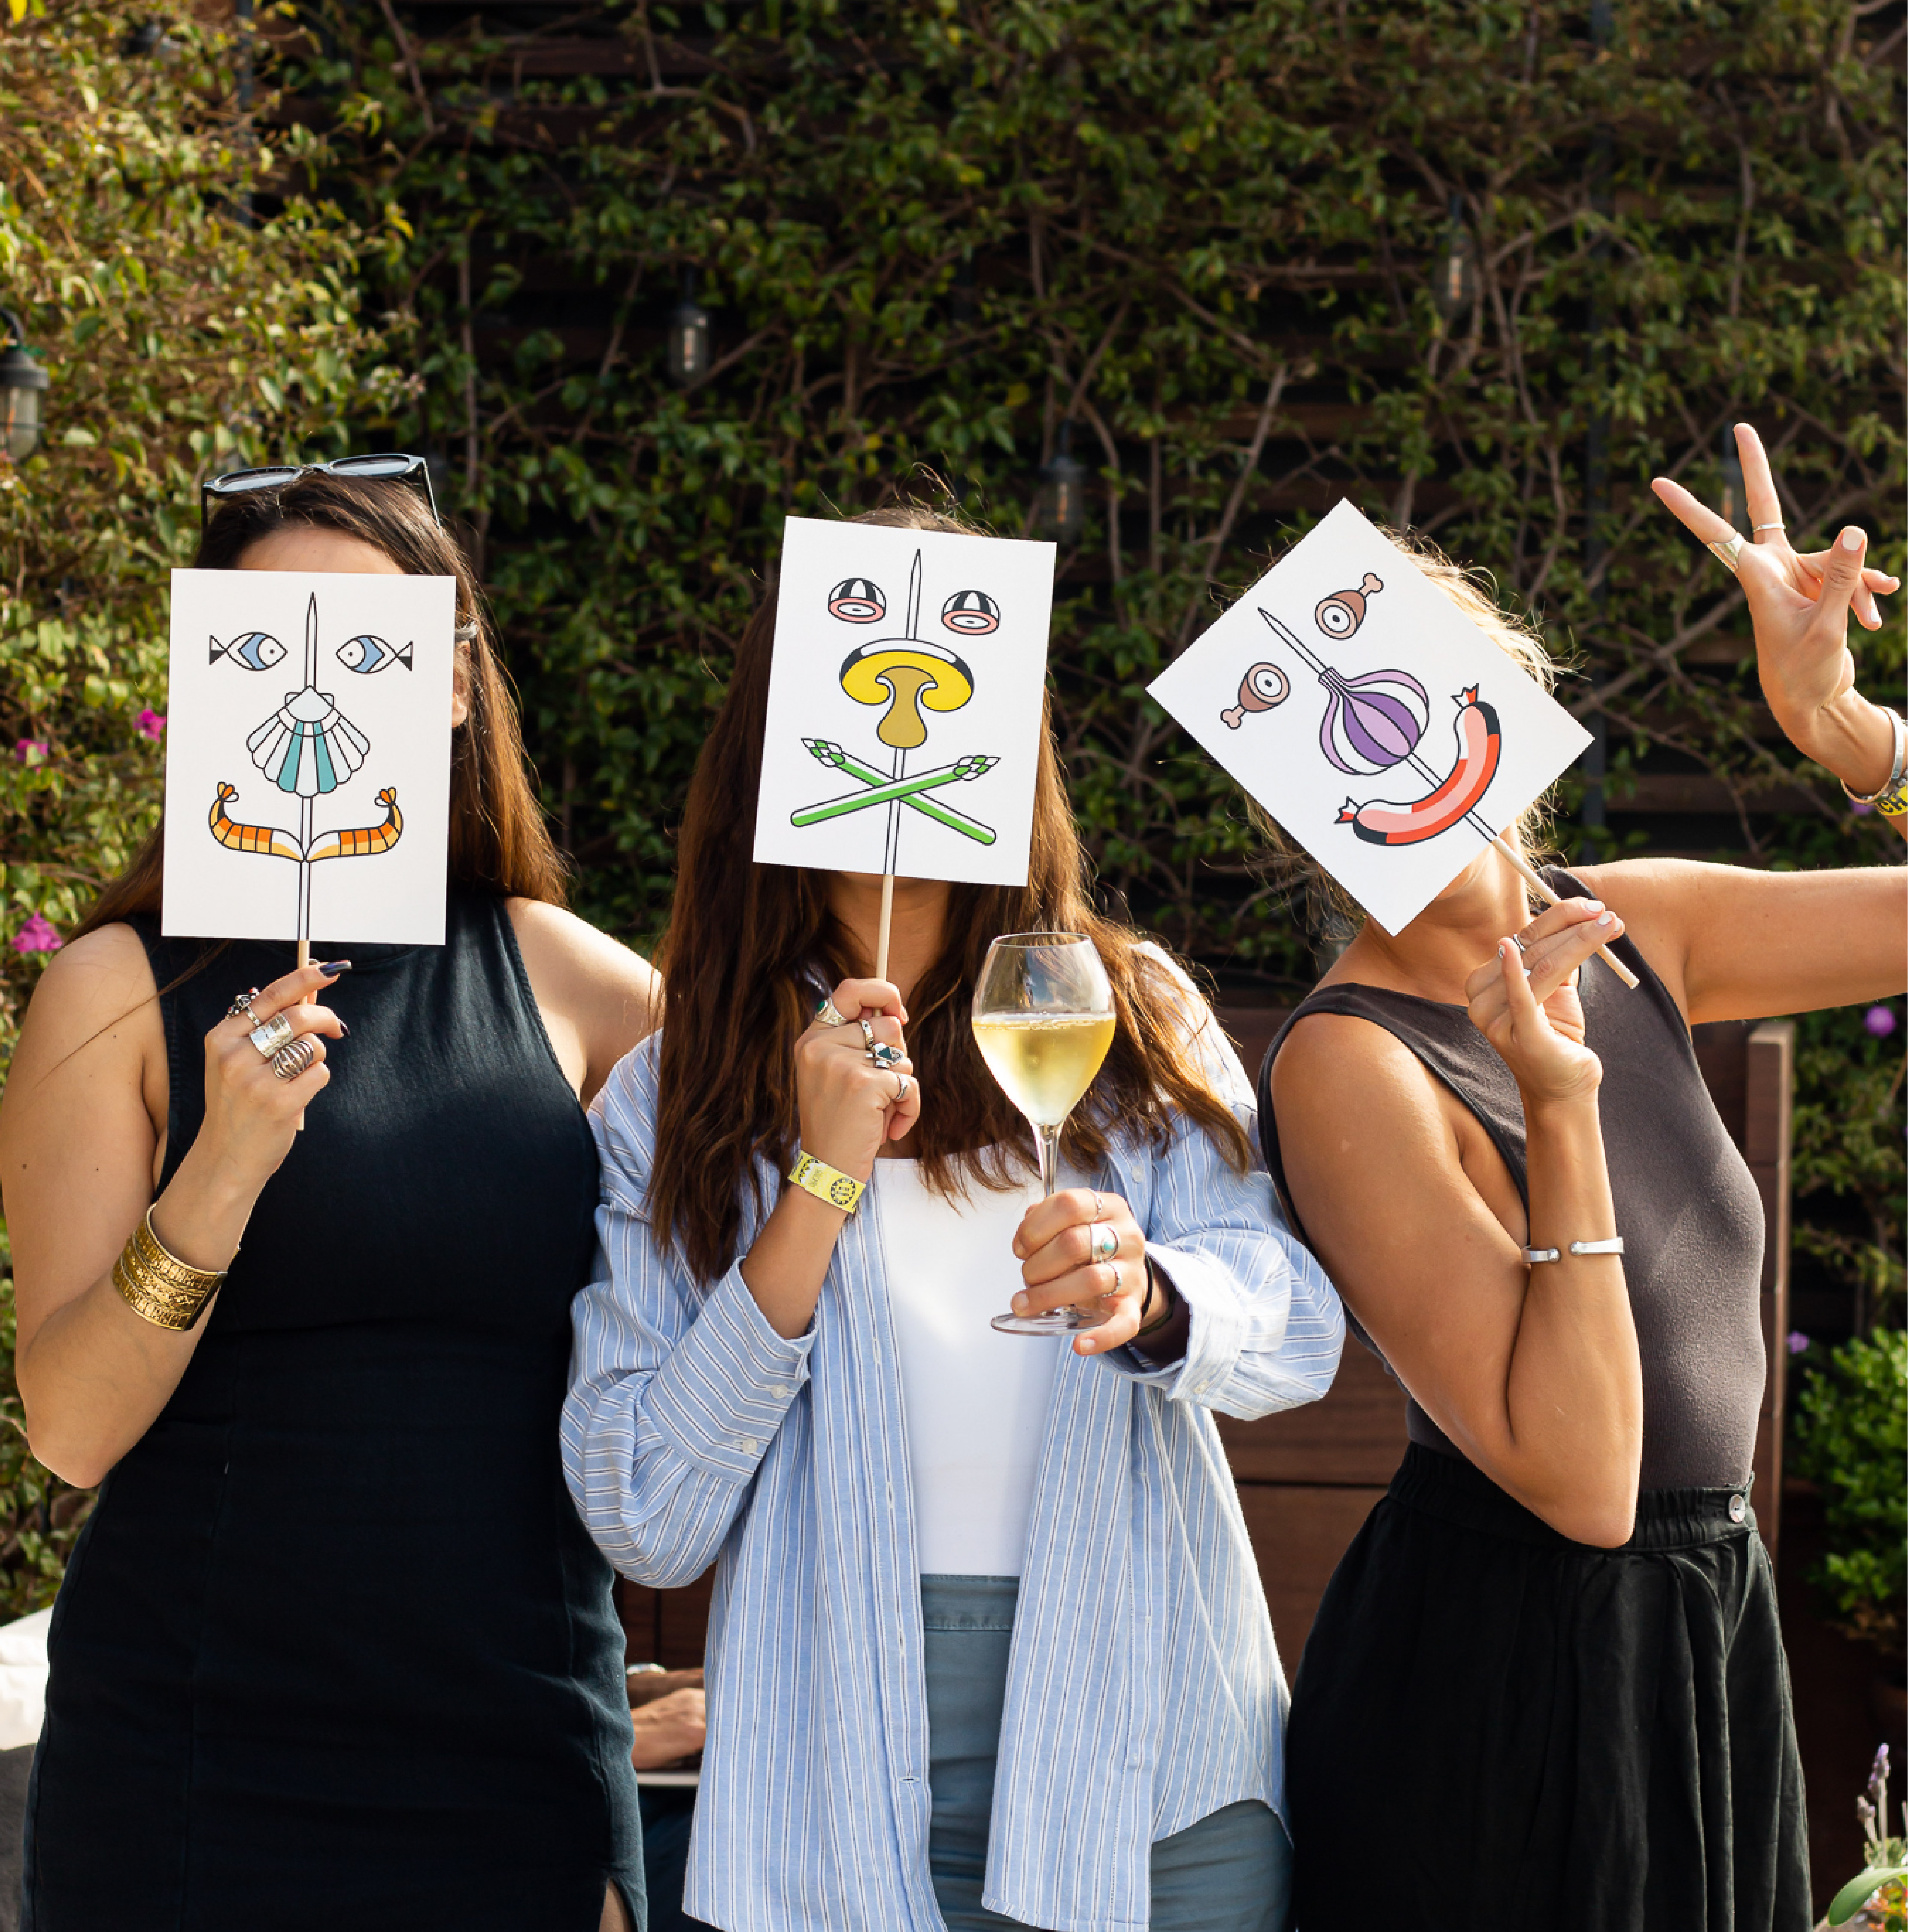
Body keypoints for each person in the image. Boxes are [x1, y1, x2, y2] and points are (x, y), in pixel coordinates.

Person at [561, 503, 1346, 1932]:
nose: (902, 724)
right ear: (772, 744)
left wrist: (1155, 1292)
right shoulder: (667, 1094)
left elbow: (1296, 1329)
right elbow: (646, 1515)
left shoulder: (1131, 1015)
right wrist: (816, 1183)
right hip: (820, 1778)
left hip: (1151, 1749)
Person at [1, 461, 660, 1932]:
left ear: (450, 683)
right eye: (266, 642)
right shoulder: (115, 993)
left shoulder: (583, 989)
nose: (325, 685)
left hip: (519, 1759)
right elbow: (69, 1426)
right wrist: (223, 1163)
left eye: (374, 647)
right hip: (192, 1770)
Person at [1262, 425, 1905, 1930]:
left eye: (1423, 685)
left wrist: (1845, 728)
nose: (1387, 735)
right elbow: (1581, 1478)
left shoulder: (1641, 926)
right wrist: (1559, 1107)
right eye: (1328, 728)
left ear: (1505, 689)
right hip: (1504, 1683)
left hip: (1707, 1639)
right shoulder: (1346, 1058)